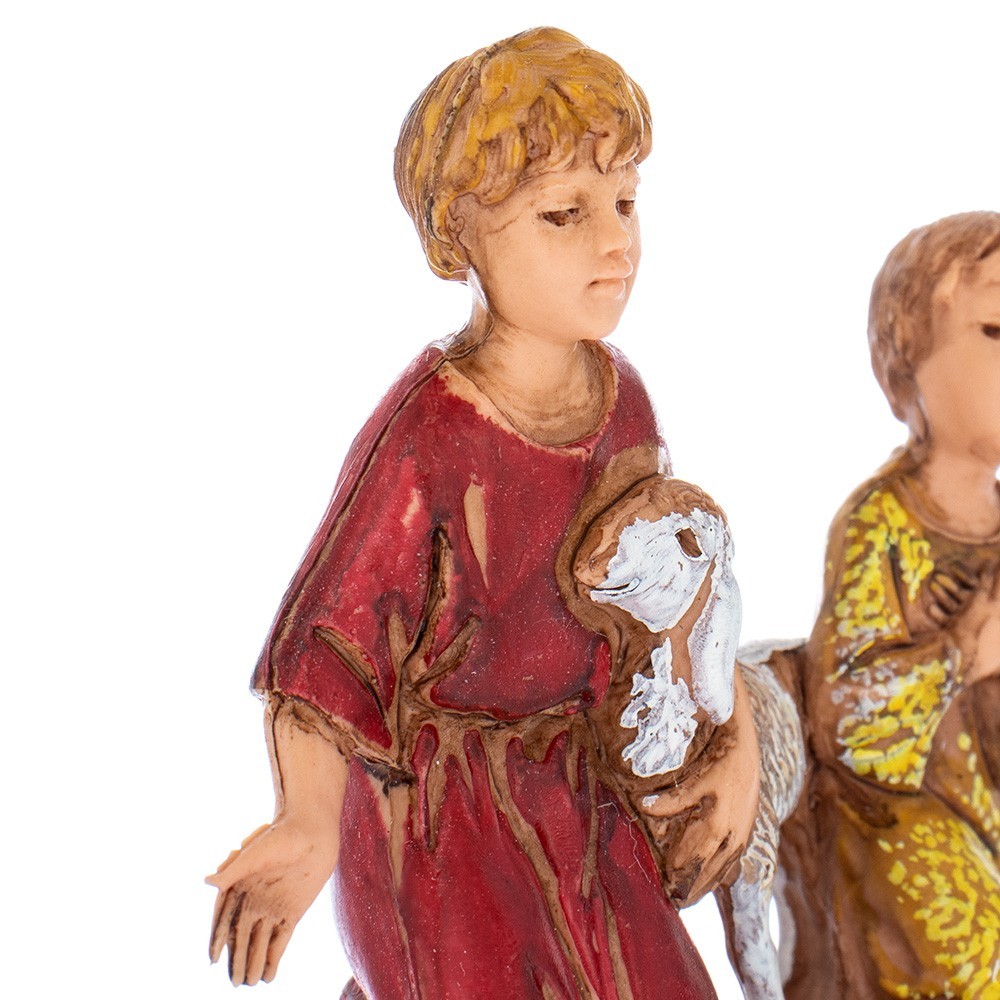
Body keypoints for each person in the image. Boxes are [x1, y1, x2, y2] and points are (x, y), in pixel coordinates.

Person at [207, 27, 757, 999]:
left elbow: (677, 592)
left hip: (581, 796)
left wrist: (737, 746)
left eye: (625, 201)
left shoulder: (621, 398)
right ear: (460, 235)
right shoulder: (429, 435)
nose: (616, 241)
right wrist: (305, 823)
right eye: (563, 213)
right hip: (442, 823)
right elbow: (327, 660)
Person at [779, 212, 1000, 998]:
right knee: (966, 948)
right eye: (994, 331)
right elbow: (845, 719)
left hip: (987, 806)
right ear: (909, 359)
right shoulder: (882, 524)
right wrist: (963, 652)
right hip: (905, 828)